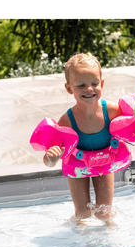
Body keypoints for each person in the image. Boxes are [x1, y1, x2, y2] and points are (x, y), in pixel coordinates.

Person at [43, 53, 120, 225]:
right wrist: (51, 158)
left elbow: (132, 130)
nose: (89, 89)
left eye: (94, 83)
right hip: (77, 165)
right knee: (83, 213)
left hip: (103, 162)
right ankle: (77, 231)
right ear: (69, 88)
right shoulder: (67, 121)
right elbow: (49, 159)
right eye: (81, 85)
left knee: (104, 213)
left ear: (102, 84)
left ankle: (111, 232)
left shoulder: (112, 111)